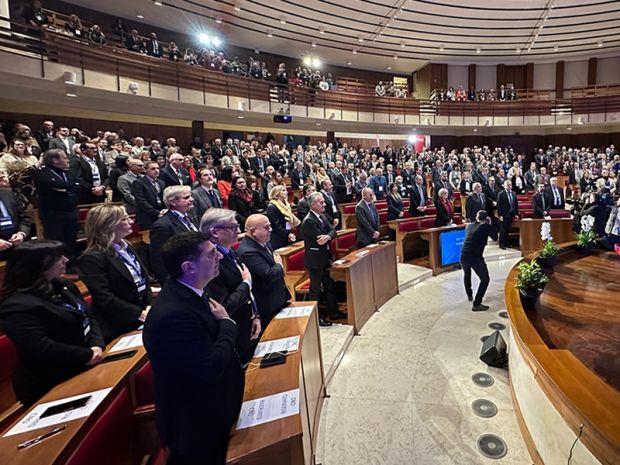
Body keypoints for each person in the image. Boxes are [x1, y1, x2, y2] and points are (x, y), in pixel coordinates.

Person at [143, 232, 244, 465]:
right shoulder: (173, 315)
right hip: (196, 425)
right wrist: (228, 325)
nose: (219, 255)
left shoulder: (192, 292)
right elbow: (209, 366)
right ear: (189, 267)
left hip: (213, 411)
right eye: (211, 254)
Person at [0, 241, 105, 406]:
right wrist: (87, 355)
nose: (66, 260)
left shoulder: (63, 285)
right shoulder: (16, 305)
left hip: (86, 361)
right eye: (58, 258)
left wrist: (97, 345)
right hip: (49, 380)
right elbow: (41, 346)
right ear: (38, 265)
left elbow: (88, 316)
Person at [79, 205, 151, 343]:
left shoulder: (127, 246)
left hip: (142, 315)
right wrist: (140, 314)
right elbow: (105, 299)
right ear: (108, 225)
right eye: (125, 218)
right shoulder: (91, 258)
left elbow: (144, 281)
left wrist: (148, 306)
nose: (131, 221)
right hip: (118, 325)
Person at [200, 209, 261, 363]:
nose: (239, 231)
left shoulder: (230, 252)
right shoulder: (212, 262)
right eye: (233, 227)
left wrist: (255, 314)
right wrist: (246, 283)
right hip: (232, 332)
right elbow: (223, 306)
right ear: (215, 232)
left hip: (247, 322)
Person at [301, 192, 346, 326]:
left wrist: (328, 236)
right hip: (315, 261)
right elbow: (320, 240)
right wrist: (327, 236)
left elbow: (333, 231)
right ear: (313, 205)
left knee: (329, 286)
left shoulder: (321, 216)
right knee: (315, 290)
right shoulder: (309, 220)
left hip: (325, 258)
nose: (324, 204)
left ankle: (334, 312)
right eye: (321, 202)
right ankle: (316, 317)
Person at [237, 214, 290, 327]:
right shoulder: (247, 252)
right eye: (266, 227)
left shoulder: (263, 241)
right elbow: (269, 275)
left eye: (270, 226)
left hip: (278, 299)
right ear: (253, 232)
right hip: (267, 305)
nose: (270, 229)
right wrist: (280, 265)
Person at [33, 149, 80, 269]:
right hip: (53, 214)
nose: (67, 160)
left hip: (71, 212)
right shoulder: (42, 173)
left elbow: (76, 185)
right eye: (64, 158)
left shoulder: (67, 172)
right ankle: (55, 268)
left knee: (71, 241)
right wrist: (70, 186)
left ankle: (71, 267)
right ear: (55, 160)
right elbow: (58, 185)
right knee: (55, 243)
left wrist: (68, 187)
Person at [150, 186, 198, 284]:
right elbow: (158, 259)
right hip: (181, 278)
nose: (192, 199)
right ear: (172, 202)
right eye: (186, 198)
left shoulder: (191, 217)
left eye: (190, 196)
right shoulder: (162, 226)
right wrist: (169, 284)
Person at [460, 211, 492, 312]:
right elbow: (495, 237)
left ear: (476, 217)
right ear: (486, 219)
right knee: (485, 279)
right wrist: (490, 224)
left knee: (467, 273)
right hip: (475, 257)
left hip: (463, 255)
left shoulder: (469, 226)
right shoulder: (485, 227)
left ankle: (469, 295)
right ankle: (477, 304)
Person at [0, 169, 32, 259]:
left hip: (15, 246)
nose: (2, 175)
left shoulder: (9, 195)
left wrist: (21, 233)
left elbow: (24, 219)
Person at [131, 160, 166, 229]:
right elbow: (141, 201)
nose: (156, 171)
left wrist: (165, 210)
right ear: (145, 170)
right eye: (153, 169)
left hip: (161, 214)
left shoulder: (161, 182)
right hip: (147, 217)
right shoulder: (139, 183)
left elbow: (165, 198)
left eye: (158, 168)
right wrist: (156, 212)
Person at [266, 185, 299, 250]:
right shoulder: (272, 207)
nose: (286, 192)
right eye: (283, 190)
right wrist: (287, 234)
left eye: (286, 190)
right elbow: (276, 225)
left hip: (285, 235)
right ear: (277, 193)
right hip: (277, 238)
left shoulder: (286, 205)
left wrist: (288, 233)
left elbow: (288, 222)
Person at [497, 180, 519, 249]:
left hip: (511, 214)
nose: (509, 186)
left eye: (510, 185)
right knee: (503, 230)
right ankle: (501, 244)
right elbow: (499, 205)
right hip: (504, 214)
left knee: (508, 230)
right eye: (508, 185)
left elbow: (515, 204)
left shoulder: (513, 193)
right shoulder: (501, 194)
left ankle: (506, 243)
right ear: (504, 186)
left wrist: (516, 214)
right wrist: (500, 215)